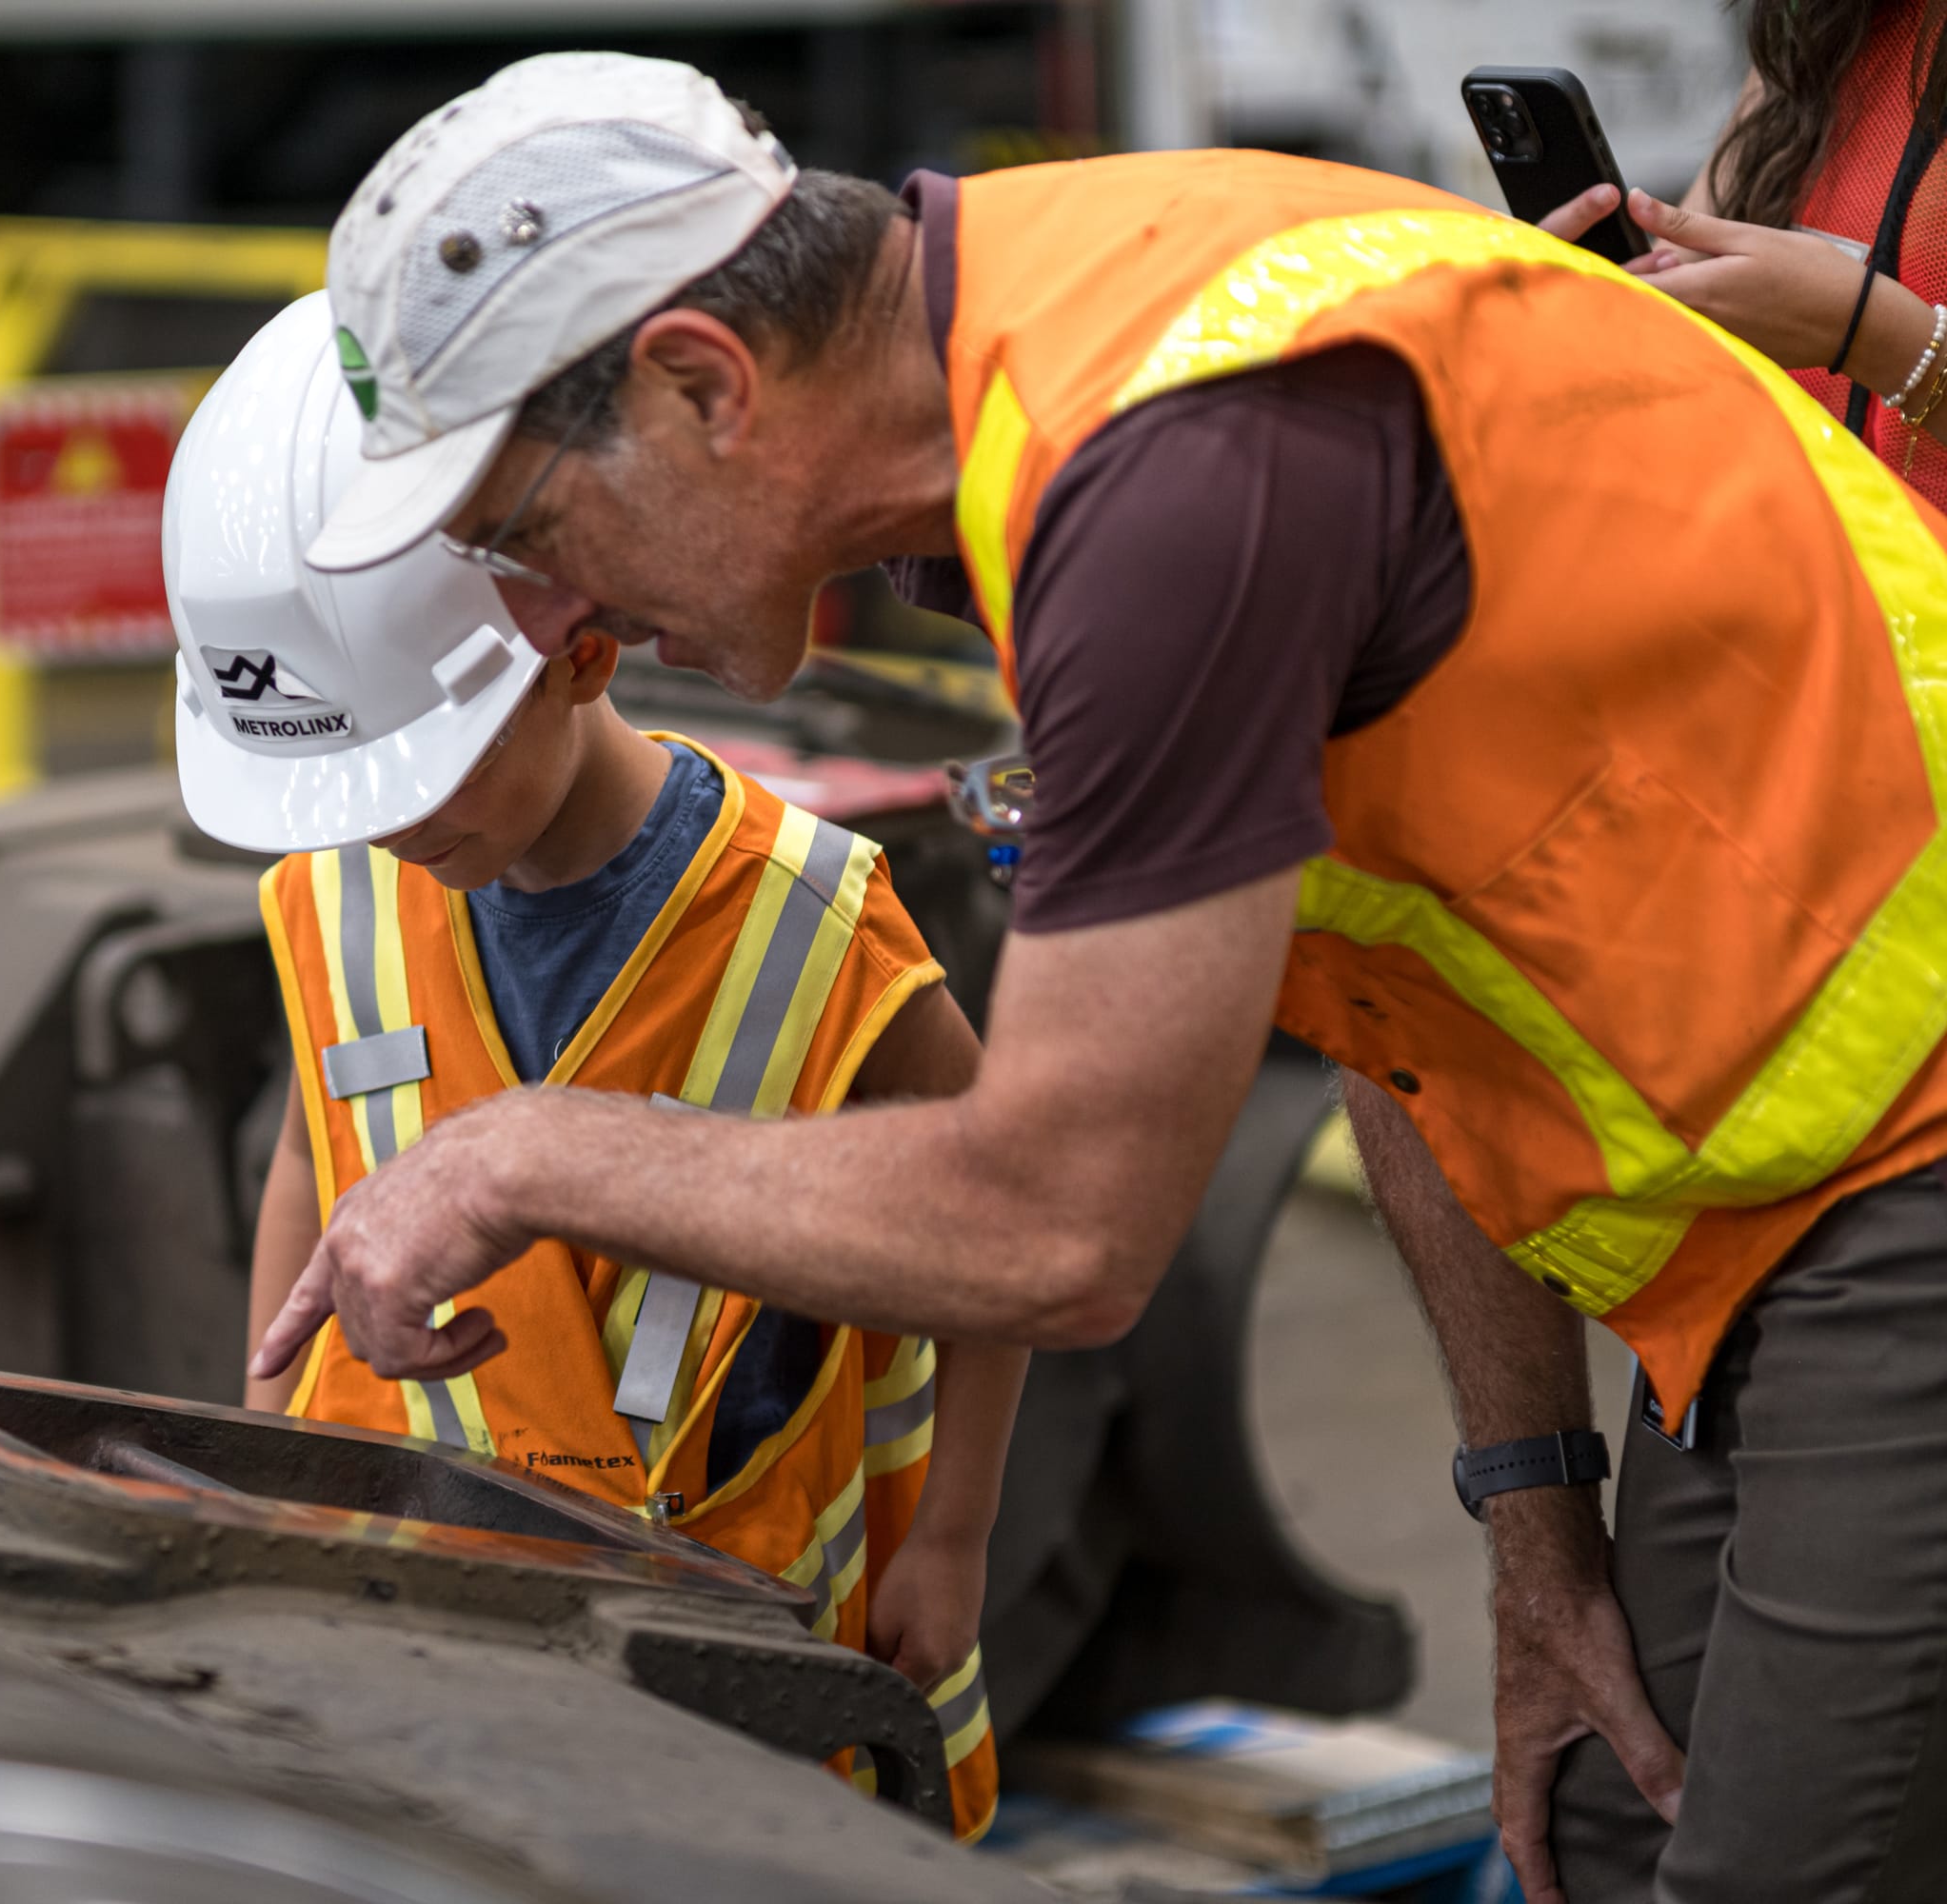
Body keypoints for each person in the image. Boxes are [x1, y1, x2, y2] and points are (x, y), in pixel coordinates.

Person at [246, 50, 1947, 1904]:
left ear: (701, 383)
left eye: (524, 533)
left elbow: (1059, 1226)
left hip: (1909, 1161)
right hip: (1771, 1217)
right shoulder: (1033, 374)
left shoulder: (1164, 480)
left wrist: (524, 1152)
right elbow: (1394, 984)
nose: (547, 623)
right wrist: (1533, 1518)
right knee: (1609, 1842)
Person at [163, 292, 1021, 1842]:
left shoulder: (807, 924)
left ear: (584, 648)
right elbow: (317, 1148)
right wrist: (265, 1423)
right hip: (431, 1647)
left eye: (413, 776)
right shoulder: (340, 889)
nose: (392, 830)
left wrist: (949, 1539)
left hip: (742, 1681)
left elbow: (1008, 1215)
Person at [1542, 1, 1947, 500]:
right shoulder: (1821, 27)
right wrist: (1593, 294)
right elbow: (1675, 272)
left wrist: (1870, 335)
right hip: (1801, 547)